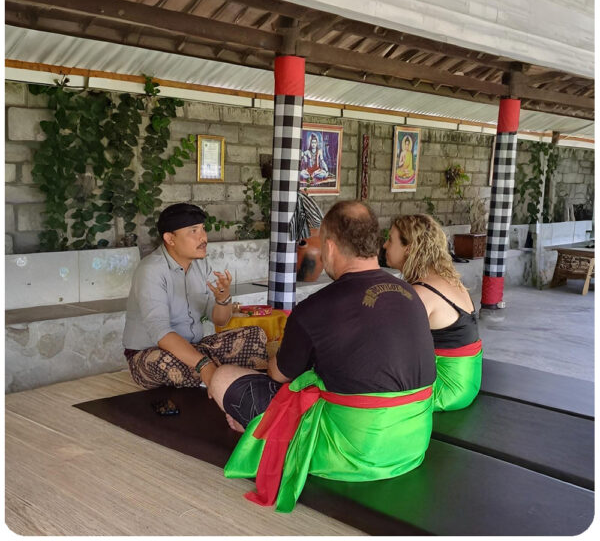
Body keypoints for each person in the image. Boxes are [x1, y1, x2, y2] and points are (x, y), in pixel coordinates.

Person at [209, 200, 436, 512]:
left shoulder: (316, 307)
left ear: (329, 247)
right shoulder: (409, 293)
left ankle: (261, 428)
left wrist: (276, 355)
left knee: (223, 377)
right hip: (411, 441)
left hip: (352, 451)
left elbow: (279, 375)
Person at [122, 203, 267, 389]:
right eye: (193, 231)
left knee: (255, 336)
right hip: (150, 354)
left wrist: (223, 299)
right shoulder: (151, 270)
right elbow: (161, 332)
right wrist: (203, 364)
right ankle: (216, 375)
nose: (203, 237)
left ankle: (213, 376)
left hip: (194, 348)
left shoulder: (201, 265)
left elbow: (219, 320)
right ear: (170, 239)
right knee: (172, 364)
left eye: (203, 229)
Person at [384, 213, 482, 412]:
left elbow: (393, 349)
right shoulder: (445, 280)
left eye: (390, 240)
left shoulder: (421, 293)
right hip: (466, 383)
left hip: (444, 389)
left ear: (409, 248)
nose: (384, 246)